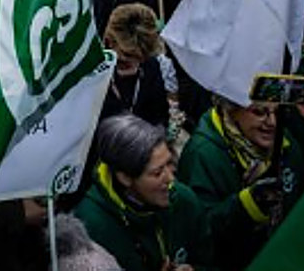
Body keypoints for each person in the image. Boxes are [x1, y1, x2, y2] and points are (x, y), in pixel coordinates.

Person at [177, 97, 304, 271]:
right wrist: (247, 205)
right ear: (232, 109)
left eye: (279, 112)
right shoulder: (202, 154)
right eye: (259, 112)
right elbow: (199, 232)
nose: (272, 122)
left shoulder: (286, 143)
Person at [75, 115, 213, 271]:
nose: (170, 178)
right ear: (125, 177)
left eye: (169, 163)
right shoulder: (91, 228)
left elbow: (212, 261)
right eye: (157, 172)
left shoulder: (183, 199)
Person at [100, 4, 170, 130]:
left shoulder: (151, 65)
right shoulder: (95, 72)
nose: (135, 63)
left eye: (142, 57)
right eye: (127, 55)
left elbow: (160, 115)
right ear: (110, 42)